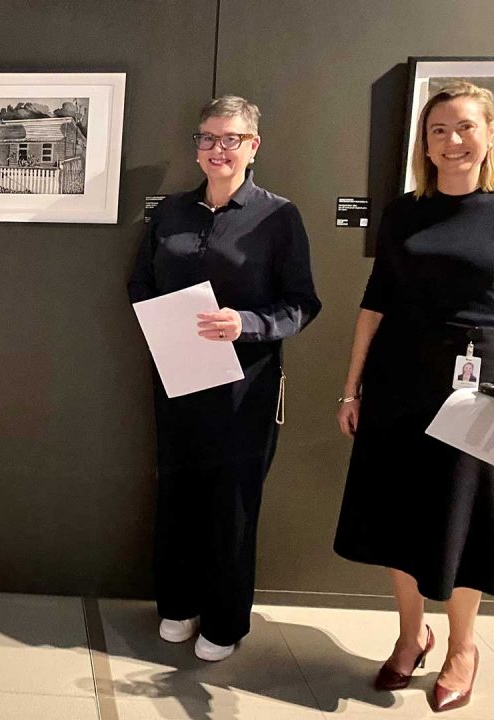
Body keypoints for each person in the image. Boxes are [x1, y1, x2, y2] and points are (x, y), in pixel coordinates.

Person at [334, 81, 494, 712]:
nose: (451, 142)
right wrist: (351, 388)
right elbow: (375, 302)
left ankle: (462, 646)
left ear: (489, 134)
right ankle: (408, 635)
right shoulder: (404, 212)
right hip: (399, 377)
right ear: (424, 143)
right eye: (438, 131)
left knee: (460, 515)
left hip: (475, 384)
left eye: (464, 128)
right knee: (396, 511)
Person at [128, 95, 320, 662]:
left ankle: (225, 620)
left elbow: (303, 303)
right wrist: (160, 322)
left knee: (233, 504)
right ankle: (178, 605)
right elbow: (140, 281)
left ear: (252, 146)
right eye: (207, 138)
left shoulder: (279, 216)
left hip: (246, 386)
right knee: (179, 494)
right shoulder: (170, 212)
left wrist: (248, 323)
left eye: (230, 139)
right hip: (178, 377)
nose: (217, 149)